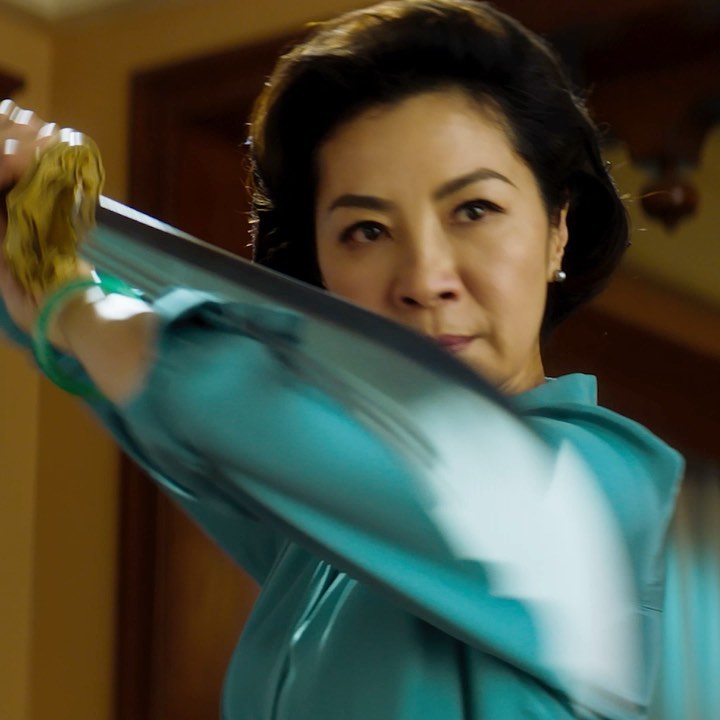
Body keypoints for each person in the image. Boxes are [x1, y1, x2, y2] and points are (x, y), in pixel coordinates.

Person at [0, 1, 682, 718]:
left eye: (474, 210)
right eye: (367, 230)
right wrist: (27, 228)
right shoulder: (318, 533)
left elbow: (203, 395)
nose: (424, 279)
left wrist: (71, 304)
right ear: (320, 265)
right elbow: (164, 405)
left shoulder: (604, 491)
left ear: (557, 231)